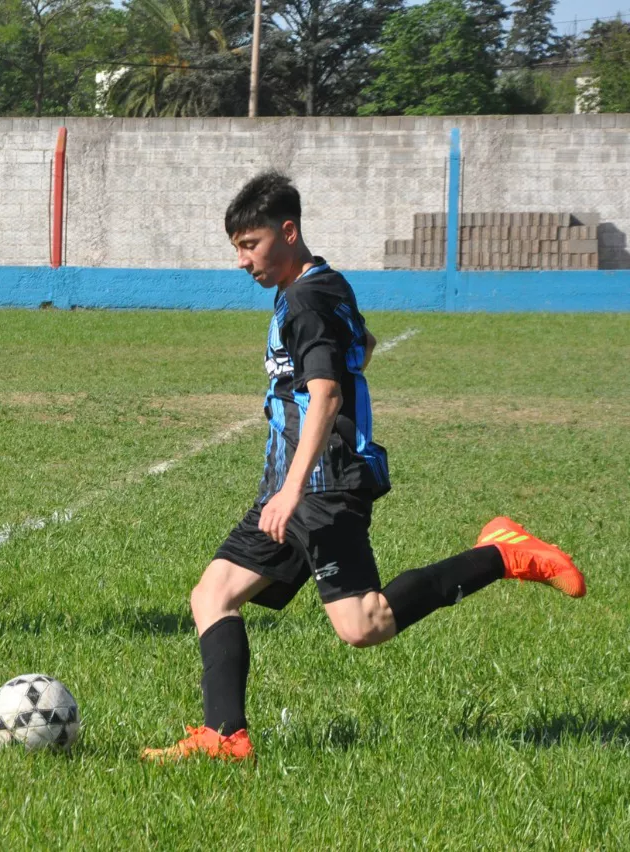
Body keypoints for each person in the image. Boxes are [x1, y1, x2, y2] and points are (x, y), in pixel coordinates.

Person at [140, 172, 587, 764]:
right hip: (293, 486)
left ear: (288, 231)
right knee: (213, 594)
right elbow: (364, 345)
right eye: (237, 249)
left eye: (251, 245)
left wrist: (292, 490)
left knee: (364, 623)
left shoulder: (302, 299)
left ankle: (503, 552)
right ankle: (226, 737)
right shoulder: (323, 282)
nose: (243, 261)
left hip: (320, 488)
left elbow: (324, 393)